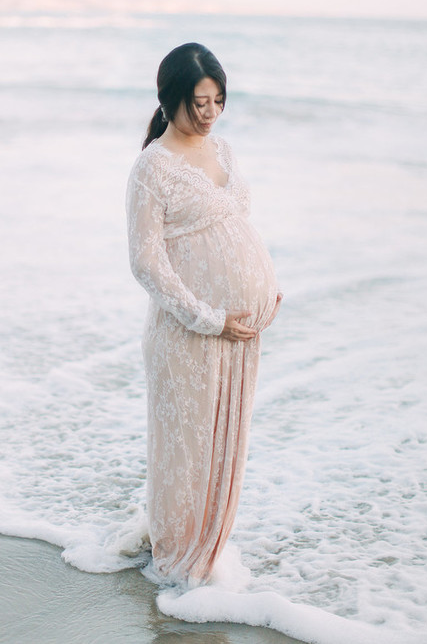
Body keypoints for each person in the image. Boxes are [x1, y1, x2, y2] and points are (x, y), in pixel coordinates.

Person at [126, 42, 282, 586]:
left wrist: (266, 283)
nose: (210, 112)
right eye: (199, 102)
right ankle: (177, 571)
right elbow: (146, 263)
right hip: (189, 332)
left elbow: (234, 224)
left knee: (224, 447)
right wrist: (208, 317)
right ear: (170, 101)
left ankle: (210, 561)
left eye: (218, 100)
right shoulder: (153, 166)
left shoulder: (225, 152)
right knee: (186, 452)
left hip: (240, 331)